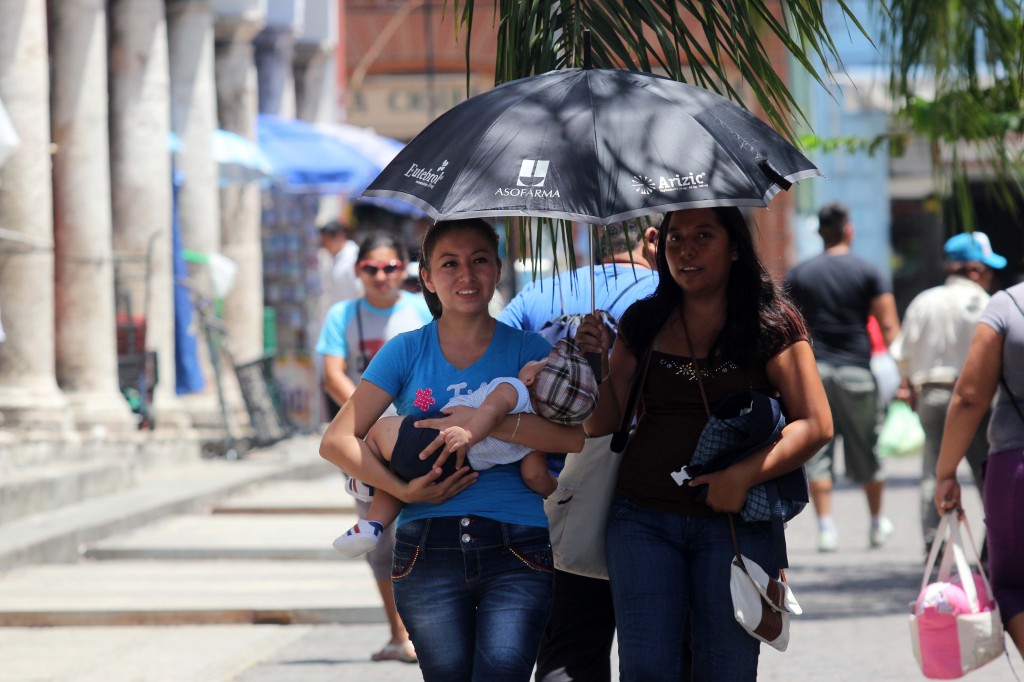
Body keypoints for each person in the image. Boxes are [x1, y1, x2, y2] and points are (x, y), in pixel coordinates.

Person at [319, 218, 585, 681]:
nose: (466, 275)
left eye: (479, 260)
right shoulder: (405, 351)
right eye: (449, 264)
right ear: (426, 277)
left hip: (518, 547)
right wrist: (406, 489)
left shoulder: (529, 348)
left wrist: (487, 422)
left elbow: (573, 437)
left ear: (498, 268)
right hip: (427, 551)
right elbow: (337, 442)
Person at [575, 206, 832, 680]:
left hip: (735, 526)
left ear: (735, 247)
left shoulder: (770, 323)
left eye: (703, 236)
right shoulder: (644, 319)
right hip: (642, 519)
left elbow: (815, 424)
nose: (686, 250)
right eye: (675, 239)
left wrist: (742, 475)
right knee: (647, 668)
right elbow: (604, 424)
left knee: (725, 668)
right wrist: (594, 363)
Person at [498, 217, 660, 682]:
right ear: (651, 239)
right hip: (647, 487)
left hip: (554, 494)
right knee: (656, 646)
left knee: (569, 649)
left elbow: (499, 363)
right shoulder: (666, 295)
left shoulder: (538, 293)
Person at [333, 338, 598, 558]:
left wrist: (468, 431)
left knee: (380, 431)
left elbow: (492, 410)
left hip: (436, 435)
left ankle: (369, 485)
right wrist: (558, 492)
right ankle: (372, 525)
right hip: (456, 469)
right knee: (401, 479)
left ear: (530, 377)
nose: (534, 360)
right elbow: (534, 475)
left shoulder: (513, 387)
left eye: (539, 362)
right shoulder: (537, 434)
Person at [315, 230, 431, 664]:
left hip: (412, 432)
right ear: (358, 271)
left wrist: (410, 414)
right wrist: (364, 414)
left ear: (405, 270)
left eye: (391, 268)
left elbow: (430, 375)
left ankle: (424, 626)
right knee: (379, 539)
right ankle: (398, 631)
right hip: (361, 440)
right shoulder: (342, 315)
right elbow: (332, 373)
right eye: (371, 268)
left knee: (417, 529)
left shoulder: (420, 310)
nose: (381, 276)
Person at [784, 202, 901, 552]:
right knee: (866, 445)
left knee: (818, 451)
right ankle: (877, 523)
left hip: (814, 373)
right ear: (848, 230)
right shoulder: (868, 271)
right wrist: (904, 374)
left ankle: (826, 528)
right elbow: (890, 327)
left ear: (819, 232)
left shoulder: (800, 274)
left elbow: (787, 326)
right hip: (856, 372)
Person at [890, 231, 1005, 556]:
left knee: (934, 468)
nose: (989, 276)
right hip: (975, 399)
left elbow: (903, 353)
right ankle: (993, 538)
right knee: (986, 470)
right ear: (973, 269)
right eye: (987, 269)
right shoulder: (985, 303)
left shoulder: (924, 301)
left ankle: (934, 540)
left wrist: (908, 385)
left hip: (929, 395)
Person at [934, 277, 1024, 658]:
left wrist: (945, 472)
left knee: (1014, 584)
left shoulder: (1008, 305)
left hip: (1017, 462)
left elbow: (970, 396)